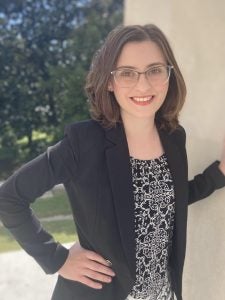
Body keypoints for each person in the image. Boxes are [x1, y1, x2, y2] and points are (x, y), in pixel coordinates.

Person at [0, 24, 225, 300]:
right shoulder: (83, 143)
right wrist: (57, 258)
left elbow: (164, 199)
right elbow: (9, 198)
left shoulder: (173, 137)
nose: (143, 85)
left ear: (169, 75)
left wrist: (217, 175)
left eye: (155, 70)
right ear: (109, 81)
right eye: (127, 73)